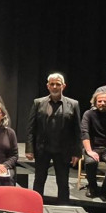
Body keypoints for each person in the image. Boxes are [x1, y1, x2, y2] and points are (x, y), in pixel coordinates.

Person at [26, 73, 81, 202]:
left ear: (63, 86)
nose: (55, 87)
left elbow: (77, 131)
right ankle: (35, 206)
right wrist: (29, 149)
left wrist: (77, 152)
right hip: (42, 148)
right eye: (52, 84)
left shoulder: (73, 104)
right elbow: (31, 128)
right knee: (39, 180)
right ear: (48, 86)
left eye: (58, 84)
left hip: (63, 149)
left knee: (63, 182)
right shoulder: (38, 102)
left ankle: (63, 208)